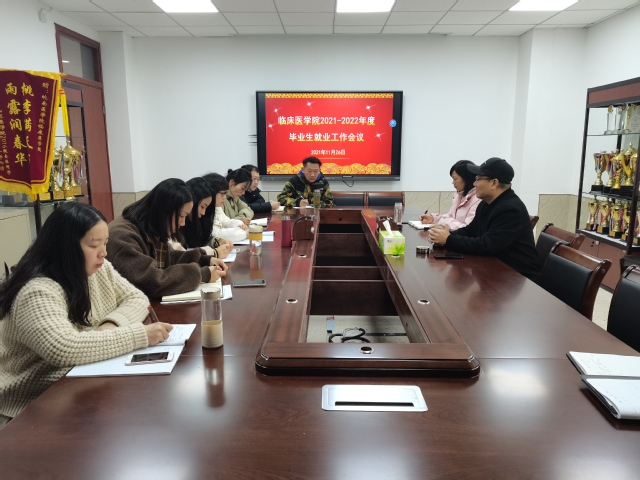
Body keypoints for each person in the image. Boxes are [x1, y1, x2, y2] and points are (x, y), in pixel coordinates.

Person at [0, 202, 173, 427]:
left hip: (72, 385)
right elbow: (64, 348)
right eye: (94, 245)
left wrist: (110, 325)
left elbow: (138, 299)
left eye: (105, 243)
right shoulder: (38, 290)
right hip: (26, 407)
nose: (104, 253)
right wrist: (140, 335)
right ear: (66, 247)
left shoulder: (98, 269)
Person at [107, 178, 227, 299]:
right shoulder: (122, 236)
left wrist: (204, 260)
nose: (183, 223)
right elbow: (152, 282)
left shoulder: (150, 227)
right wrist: (201, 274)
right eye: (181, 216)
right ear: (164, 210)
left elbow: (169, 258)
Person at [428, 157, 540, 281]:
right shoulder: (486, 203)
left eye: (478, 179)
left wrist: (449, 239)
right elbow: (471, 231)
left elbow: (487, 245)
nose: (474, 184)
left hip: (518, 278)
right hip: (496, 270)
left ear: (494, 183)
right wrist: (444, 236)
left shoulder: (510, 209)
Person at [419, 160, 481, 230]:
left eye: (455, 179)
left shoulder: (477, 200)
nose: (453, 182)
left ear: (466, 178)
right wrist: (433, 219)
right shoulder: (459, 195)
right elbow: (450, 216)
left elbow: (467, 229)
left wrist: (442, 222)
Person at [182, 177, 232, 259]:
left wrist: (217, 241)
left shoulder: (197, 221)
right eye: (202, 207)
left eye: (206, 208)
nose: (203, 213)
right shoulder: (180, 223)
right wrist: (215, 253)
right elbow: (181, 254)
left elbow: (201, 241)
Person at [203, 173, 248, 243]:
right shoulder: (204, 209)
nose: (225, 197)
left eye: (225, 193)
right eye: (222, 194)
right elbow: (215, 234)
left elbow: (226, 221)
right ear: (212, 192)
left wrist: (239, 224)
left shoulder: (217, 207)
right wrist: (244, 234)